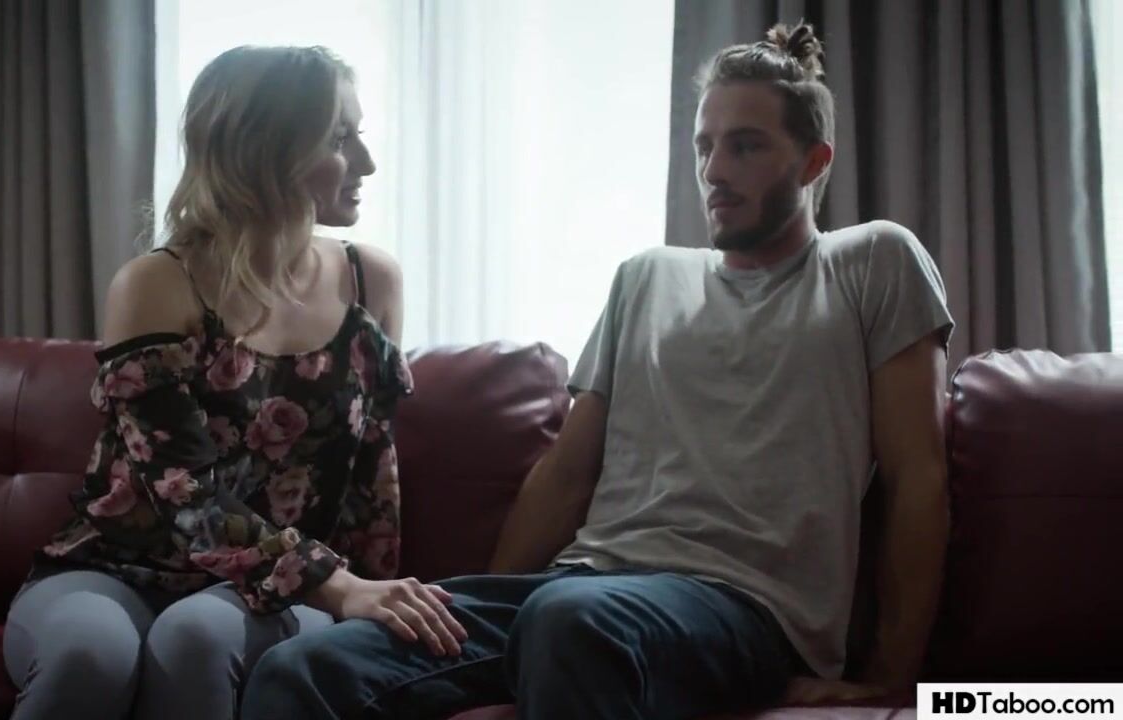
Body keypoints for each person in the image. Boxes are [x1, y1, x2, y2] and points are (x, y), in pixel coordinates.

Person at [240, 21, 953, 720]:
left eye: (745, 146)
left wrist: (892, 676)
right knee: (302, 669)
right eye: (705, 146)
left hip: (744, 608)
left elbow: (917, 478)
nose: (714, 171)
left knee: (572, 621)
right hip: (582, 588)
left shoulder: (872, 261)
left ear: (814, 161)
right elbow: (566, 474)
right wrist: (483, 610)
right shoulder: (646, 277)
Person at [2, 45, 467, 720]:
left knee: (197, 635)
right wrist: (339, 587)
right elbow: (182, 489)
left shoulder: (370, 281)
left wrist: (362, 593)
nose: (366, 163)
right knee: (87, 653)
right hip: (114, 572)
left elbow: (373, 478)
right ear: (265, 150)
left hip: (289, 591)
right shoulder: (158, 283)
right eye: (340, 139)